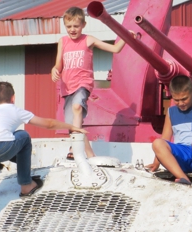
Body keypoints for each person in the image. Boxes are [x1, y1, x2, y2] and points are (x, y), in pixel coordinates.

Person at [0, 81, 87, 232]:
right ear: (13, 98)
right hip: (2, 146)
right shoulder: (14, 110)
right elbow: (48, 124)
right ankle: (26, 185)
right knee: (23, 136)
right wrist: (73, 127)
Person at [51, 6, 133, 160]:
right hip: (68, 88)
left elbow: (115, 49)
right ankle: (90, 155)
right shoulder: (63, 42)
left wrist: (126, 37)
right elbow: (58, 65)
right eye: (69, 26)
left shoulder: (88, 40)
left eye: (76, 26)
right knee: (74, 126)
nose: (72, 29)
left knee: (77, 107)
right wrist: (54, 69)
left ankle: (74, 147)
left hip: (83, 84)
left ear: (83, 25)